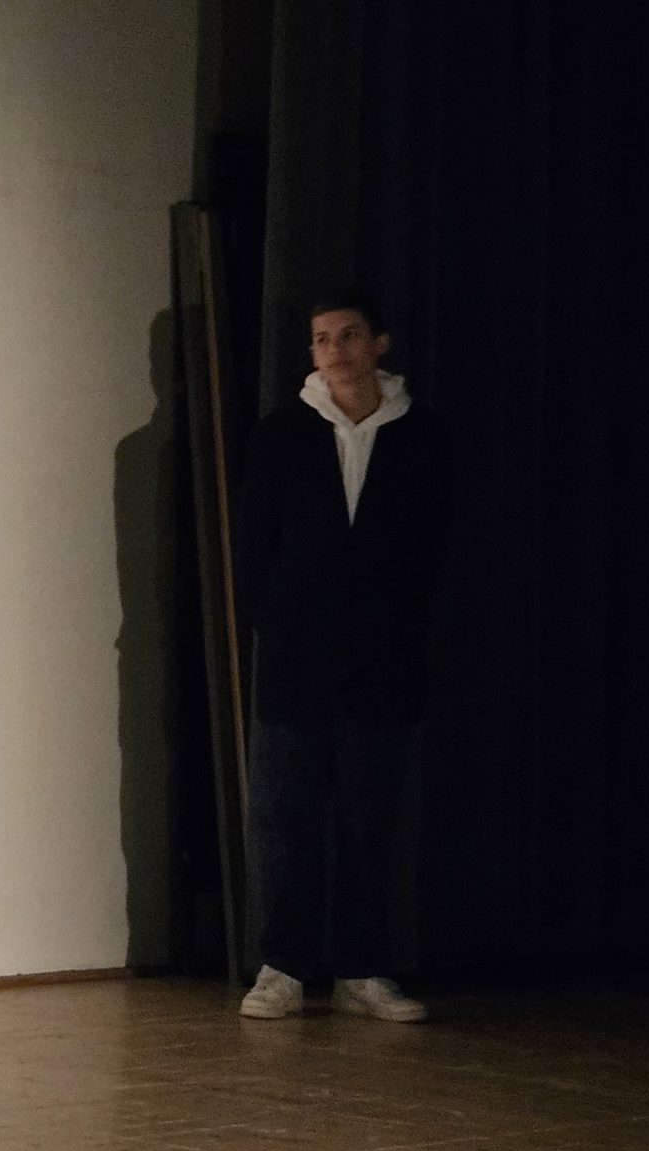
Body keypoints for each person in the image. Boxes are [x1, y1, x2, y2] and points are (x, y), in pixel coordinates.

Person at [233, 291, 452, 1023]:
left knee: (370, 819)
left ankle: (363, 969)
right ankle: (283, 967)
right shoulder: (281, 435)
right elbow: (254, 549)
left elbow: (438, 544)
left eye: (349, 335)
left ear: (379, 344)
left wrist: (404, 626)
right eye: (322, 339)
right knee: (287, 816)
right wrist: (278, 625)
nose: (334, 350)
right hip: (298, 663)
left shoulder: (423, 436)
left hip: (386, 661)